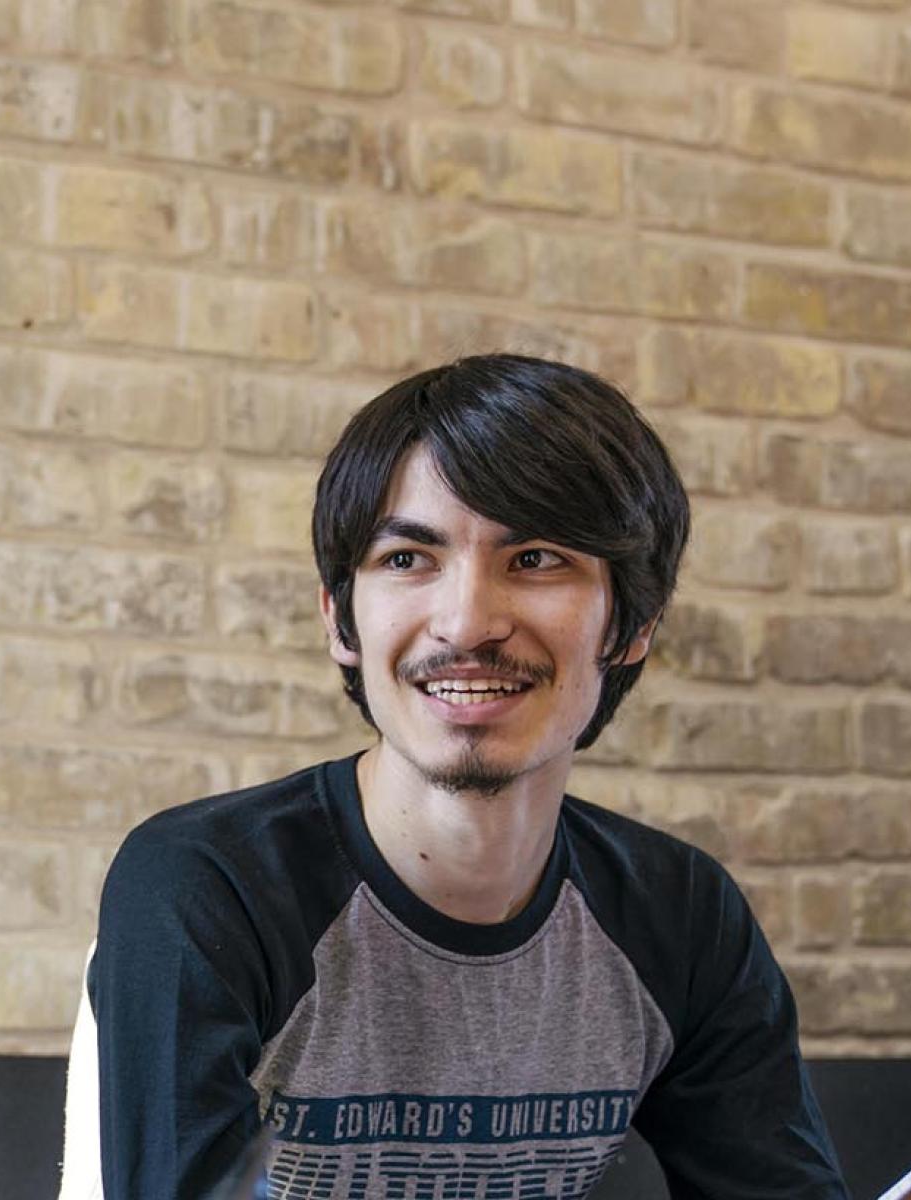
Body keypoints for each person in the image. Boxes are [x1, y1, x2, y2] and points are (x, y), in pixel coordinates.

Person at [85, 355, 845, 1200]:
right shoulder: (206, 886)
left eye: (537, 559)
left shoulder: (683, 915)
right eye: (409, 559)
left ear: (632, 624)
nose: (468, 622)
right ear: (341, 618)